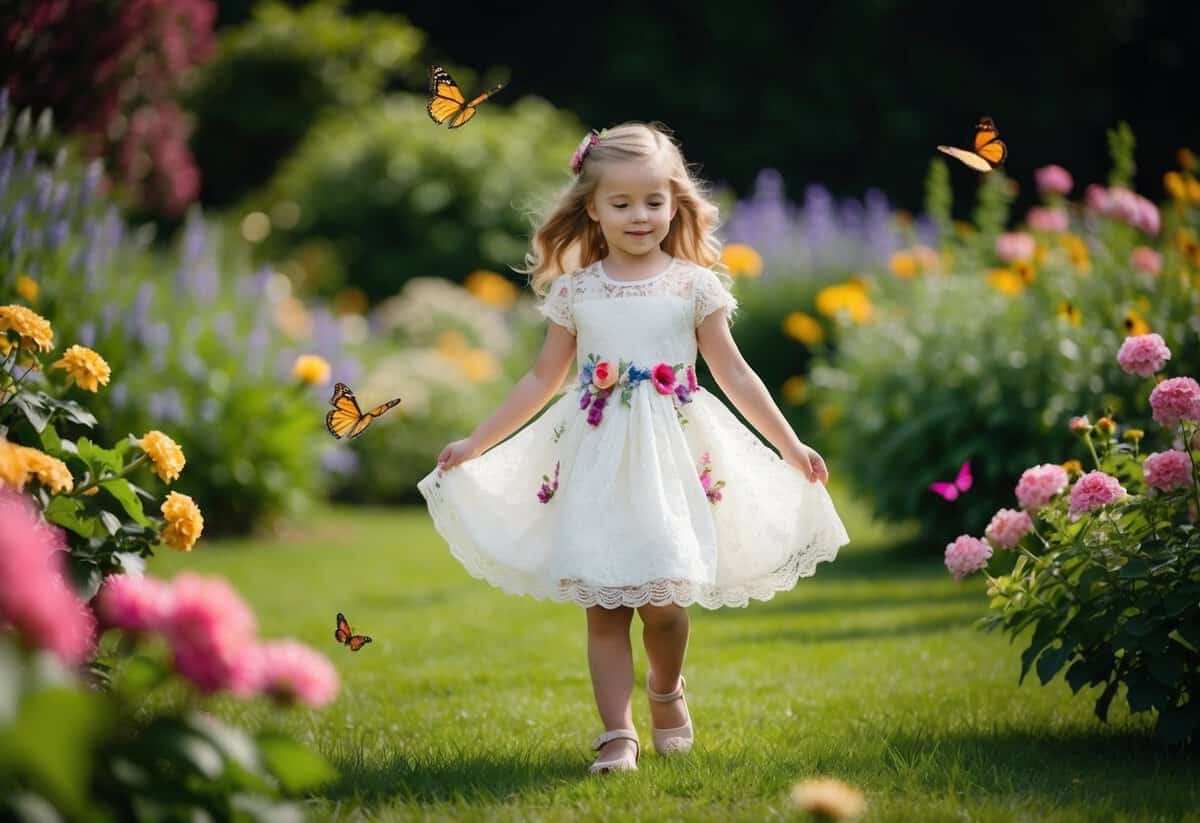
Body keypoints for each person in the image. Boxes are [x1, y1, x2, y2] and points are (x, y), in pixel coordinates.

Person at [417, 121, 850, 775]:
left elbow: (734, 373)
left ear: (675, 200)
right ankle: (617, 733)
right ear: (592, 207)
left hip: (671, 461)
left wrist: (787, 442)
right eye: (621, 203)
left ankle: (666, 688)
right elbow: (542, 378)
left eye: (653, 200)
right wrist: (477, 441)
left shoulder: (693, 286)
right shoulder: (577, 292)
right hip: (595, 461)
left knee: (665, 606)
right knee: (605, 607)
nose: (640, 215)